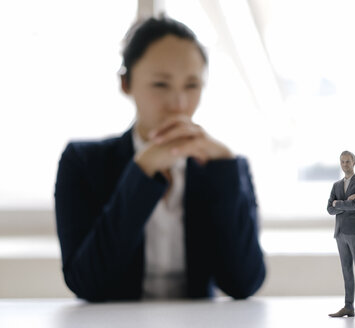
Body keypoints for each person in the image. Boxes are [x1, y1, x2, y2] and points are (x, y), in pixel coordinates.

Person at [54, 15, 266, 302]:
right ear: (125, 83)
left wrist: (225, 170)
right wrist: (142, 171)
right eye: (161, 84)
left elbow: (244, 283)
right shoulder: (83, 162)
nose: (179, 103)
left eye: (192, 85)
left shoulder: (224, 167)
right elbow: (87, 283)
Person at [327, 151, 355, 319]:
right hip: (340, 233)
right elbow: (329, 209)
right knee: (346, 271)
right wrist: (344, 202)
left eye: (348, 161)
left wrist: (338, 203)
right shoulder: (336, 185)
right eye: (342, 162)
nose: (345, 164)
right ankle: (348, 307)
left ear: (354, 162)